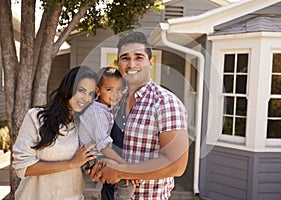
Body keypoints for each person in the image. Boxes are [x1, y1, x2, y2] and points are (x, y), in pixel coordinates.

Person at [88, 31, 189, 199]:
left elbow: (176, 164)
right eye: (125, 58)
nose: (131, 64)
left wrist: (121, 172)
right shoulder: (115, 100)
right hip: (108, 194)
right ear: (118, 63)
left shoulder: (166, 103)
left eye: (139, 57)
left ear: (150, 62)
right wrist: (99, 169)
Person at [13, 66, 98, 200]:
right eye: (81, 90)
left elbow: (89, 162)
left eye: (91, 94)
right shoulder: (36, 118)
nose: (86, 98)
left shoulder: (84, 126)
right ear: (69, 87)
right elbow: (22, 168)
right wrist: (71, 163)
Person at [78, 66, 135, 200]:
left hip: (99, 153)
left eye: (119, 90)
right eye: (109, 90)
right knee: (125, 179)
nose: (115, 94)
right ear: (98, 91)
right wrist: (126, 167)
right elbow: (104, 145)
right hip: (91, 157)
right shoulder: (96, 112)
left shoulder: (106, 109)